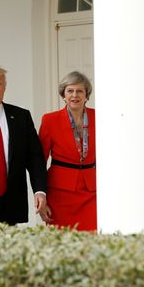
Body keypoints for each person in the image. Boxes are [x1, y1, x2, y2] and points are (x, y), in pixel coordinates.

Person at [0, 65, 50, 226]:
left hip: (11, 199)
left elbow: (34, 157)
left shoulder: (21, 116)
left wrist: (40, 191)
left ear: (5, 87)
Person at [38, 71, 96, 231]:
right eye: (70, 91)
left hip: (92, 192)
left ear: (86, 95)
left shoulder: (100, 117)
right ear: (63, 94)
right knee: (62, 239)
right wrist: (41, 196)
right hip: (59, 193)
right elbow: (39, 162)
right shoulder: (49, 120)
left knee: (92, 238)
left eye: (80, 91)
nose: (75, 95)